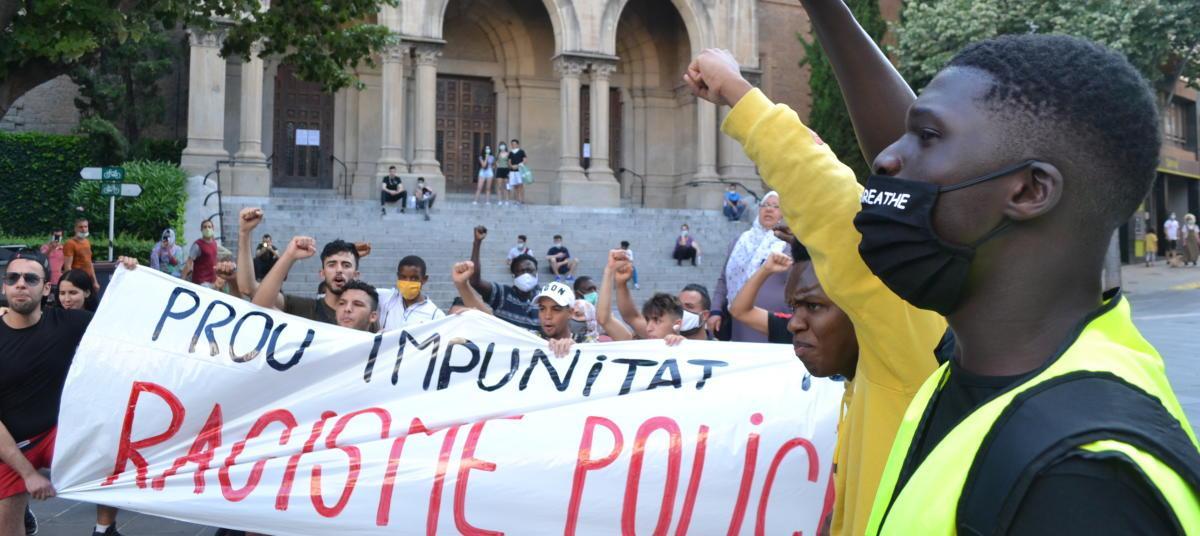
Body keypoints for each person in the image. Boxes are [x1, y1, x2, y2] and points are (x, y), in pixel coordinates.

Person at [695, 7, 1200, 531]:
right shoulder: (961, 374)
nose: (886, 160)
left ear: (1028, 191)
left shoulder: (1085, 480)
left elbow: (836, 202)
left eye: (927, 136)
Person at [687, 45, 945, 534]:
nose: (796, 323)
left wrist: (739, 95)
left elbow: (837, 215)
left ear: (863, 305)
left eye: (813, 305)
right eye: (794, 307)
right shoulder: (860, 392)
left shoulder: (908, 361)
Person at [0, 251, 139, 536]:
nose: (21, 284)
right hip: (9, 443)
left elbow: (127, 327)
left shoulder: (68, 323)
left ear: (45, 287)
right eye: (13, 278)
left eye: (30, 278)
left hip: (56, 432)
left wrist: (131, 278)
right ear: (4, 286)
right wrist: (28, 474)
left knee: (114, 450)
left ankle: (104, 529)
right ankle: (21, 511)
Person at [709, 192, 789, 343]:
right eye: (765, 205)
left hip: (774, 321)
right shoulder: (740, 242)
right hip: (739, 320)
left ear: (784, 214)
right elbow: (723, 281)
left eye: (776, 206)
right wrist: (716, 311)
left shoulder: (789, 244)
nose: (769, 209)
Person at [452, 263, 575, 356]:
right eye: (542, 308)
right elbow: (494, 323)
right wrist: (462, 286)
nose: (547, 316)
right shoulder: (533, 339)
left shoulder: (587, 342)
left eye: (556, 309)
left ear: (570, 312)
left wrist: (576, 349)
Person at [596, 250, 710, 343]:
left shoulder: (719, 349)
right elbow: (605, 319)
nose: (649, 328)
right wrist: (609, 271)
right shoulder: (643, 346)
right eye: (648, 320)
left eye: (657, 321)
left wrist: (684, 347)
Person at [252, 236, 360, 325]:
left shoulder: (364, 315)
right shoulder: (305, 308)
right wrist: (290, 255)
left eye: (346, 265)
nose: (339, 270)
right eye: (332, 265)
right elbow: (260, 304)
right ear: (322, 273)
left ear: (356, 275)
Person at [463, 226, 541, 332]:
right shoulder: (502, 295)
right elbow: (475, 282)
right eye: (521, 271)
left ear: (536, 273)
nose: (526, 275)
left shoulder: (545, 300)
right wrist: (477, 243)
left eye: (530, 270)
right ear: (513, 275)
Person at [729, 250, 807, 344]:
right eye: (794, 307)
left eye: (814, 307)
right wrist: (766, 269)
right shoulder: (793, 327)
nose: (794, 325)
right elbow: (740, 311)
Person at [377, 255, 445, 331]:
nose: (408, 282)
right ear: (398, 276)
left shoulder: (435, 315)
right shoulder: (386, 298)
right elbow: (362, 292)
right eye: (403, 277)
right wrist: (360, 256)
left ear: (424, 279)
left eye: (414, 278)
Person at [61, 218, 98, 292]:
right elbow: (67, 267)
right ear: (75, 229)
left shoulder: (87, 242)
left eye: (85, 226)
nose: (83, 229)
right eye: (80, 227)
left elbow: (89, 263)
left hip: (87, 279)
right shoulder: (70, 243)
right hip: (76, 281)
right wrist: (70, 285)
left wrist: (94, 281)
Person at [183, 219, 219, 287]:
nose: (207, 229)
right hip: (201, 282)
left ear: (213, 228)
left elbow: (215, 260)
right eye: (205, 227)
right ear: (201, 229)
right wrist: (182, 280)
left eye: (209, 227)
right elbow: (188, 263)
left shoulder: (214, 243)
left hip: (213, 281)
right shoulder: (197, 245)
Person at [507, 139, 527, 205]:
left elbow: (525, 160)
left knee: (520, 185)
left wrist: (518, 165)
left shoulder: (521, 151)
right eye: (512, 144)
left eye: (515, 144)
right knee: (515, 186)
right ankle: (517, 200)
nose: (513, 145)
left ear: (517, 144)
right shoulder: (510, 152)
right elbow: (509, 161)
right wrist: (512, 166)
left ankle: (522, 199)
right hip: (512, 171)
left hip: (520, 171)